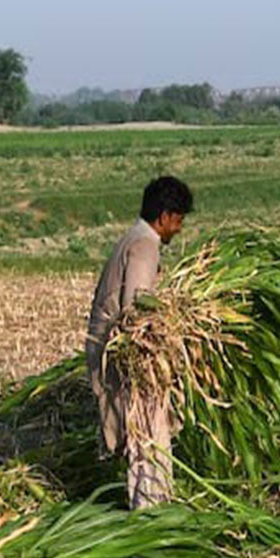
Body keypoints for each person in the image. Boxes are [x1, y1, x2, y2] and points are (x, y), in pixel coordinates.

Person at [86, 175, 193, 508]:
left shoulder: (132, 237)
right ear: (164, 217)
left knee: (143, 433)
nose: (178, 229)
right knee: (149, 433)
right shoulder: (145, 245)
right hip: (125, 355)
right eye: (178, 221)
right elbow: (137, 311)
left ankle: (150, 506)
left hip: (109, 348)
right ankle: (150, 512)